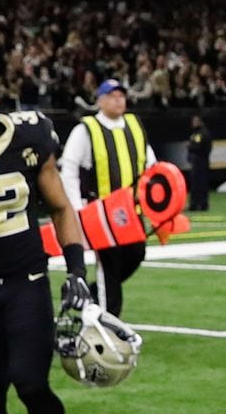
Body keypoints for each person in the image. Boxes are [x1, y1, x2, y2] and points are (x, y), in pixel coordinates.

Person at [0, 96, 93, 414]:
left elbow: (60, 206)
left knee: (30, 382)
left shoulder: (28, 137)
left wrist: (77, 270)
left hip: (25, 279)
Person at [57, 78, 154, 316]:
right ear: (100, 101)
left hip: (131, 211)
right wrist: (77, 209)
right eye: (112, 96)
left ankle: (92, 294)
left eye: (121, 95)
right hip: (102, 213)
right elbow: (69, 168)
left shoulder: (134, 126)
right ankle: (109, 319)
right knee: (109, 266)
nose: (118, 100)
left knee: (136, 254)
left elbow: (151, 164)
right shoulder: (86, 129)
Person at [186, 114, 213, 211]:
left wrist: (190, 146)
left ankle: (202, 204)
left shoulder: (203, 133)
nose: (193, 123)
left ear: (200, 122)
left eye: (195, 121)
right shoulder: (195, 133)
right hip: (195, 163)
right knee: (195, 184)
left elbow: (199, 147)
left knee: (201, 184)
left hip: (201, 163)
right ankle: (194, 204)